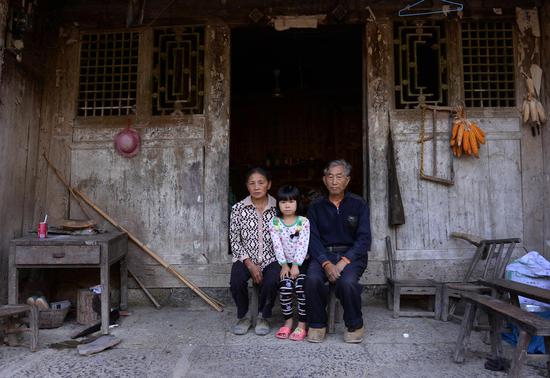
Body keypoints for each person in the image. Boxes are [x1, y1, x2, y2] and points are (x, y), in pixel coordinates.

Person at [305, 159, 371, 343]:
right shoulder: (315, 206)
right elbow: (312, 238)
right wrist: (325, 263)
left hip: (351, 255)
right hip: (323, 254)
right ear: (324, 180)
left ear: (347, 180)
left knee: (348, 282)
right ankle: (317, 324)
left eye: (339, 177)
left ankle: (355, 325)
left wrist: (343, 262)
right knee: (312, 279)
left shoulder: (359, 204)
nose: (334, 181)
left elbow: (364, 239)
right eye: (330, 177)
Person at [229, 167, 279, 335]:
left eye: (261, 183)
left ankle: (263, 316)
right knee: (236, 280)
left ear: (269, 185)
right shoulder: (238, 209)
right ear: (247, 186)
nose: (256, 187)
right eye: (252, 183)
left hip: (271, 258)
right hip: (246, 258)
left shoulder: (278, 208)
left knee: (272, 280)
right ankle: (243, 316)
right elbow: (234, 240)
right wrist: (249, 263)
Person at [268, 185, 310, 341]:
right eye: (283, 202)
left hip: (301, 263)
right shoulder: (275, 222)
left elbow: (303, 244)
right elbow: (277, 245)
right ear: (278, 204)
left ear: (298, 203)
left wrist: (296, 265)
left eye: (291, 201)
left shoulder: (303, 222)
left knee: (300, 288)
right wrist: (284, 265)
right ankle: (288, 321)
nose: (287, 205)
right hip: (284, 264)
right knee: (285, 289)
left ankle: (302, 324)